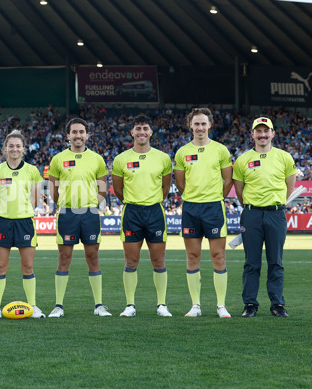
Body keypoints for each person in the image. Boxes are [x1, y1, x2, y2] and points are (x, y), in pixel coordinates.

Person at [232, 117, 297, 318]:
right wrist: (252, 209)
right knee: (252, 262)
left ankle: (277, 304)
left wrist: (274, 204)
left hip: (276, 214)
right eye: (258, 131)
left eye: (266, 131)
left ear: (273, 134)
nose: (262, 135)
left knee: (276, 261)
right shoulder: (242, 160)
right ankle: (250, 303)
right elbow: (239, 191)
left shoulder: (284, 157)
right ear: (252, 134)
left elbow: (290, 186)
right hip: (251, 214)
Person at [46, 118, 110, 318]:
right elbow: (53, 191)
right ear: (68, 136)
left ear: (87, 135)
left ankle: (99, 305)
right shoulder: (58, 159)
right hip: (67, 213)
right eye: (74, 132)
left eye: (81, 132)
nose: (78, 135)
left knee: (93, 257)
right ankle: (58, 306)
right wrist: (65, 203)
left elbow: (103, 189)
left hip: (89, 213)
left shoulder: (97, 159)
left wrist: (91, 204)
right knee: (64, 258)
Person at [111, 115, 173, 317]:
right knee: (131, 262)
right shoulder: (121, 159)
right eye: (138, 128)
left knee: (159, 261)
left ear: (151, 132)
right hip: (132, 212)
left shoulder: (162, 158)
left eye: (145, 128)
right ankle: (130, 305)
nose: (142, 132)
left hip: (155, 212)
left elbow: (165, 188)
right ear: (132, 132)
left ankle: (161, 305)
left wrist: (151, 201)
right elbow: (118, 190)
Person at [174, 108, 233, 318]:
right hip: (191, 208)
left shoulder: (220, 150)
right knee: (193, 256)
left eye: (203, 124)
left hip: (214, 207)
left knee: (218, 256)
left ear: (210, 125)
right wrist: (193, 196)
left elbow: (228, 181)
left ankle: (221, 305)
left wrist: (216, 197)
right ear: (190, 125)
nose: (200, 127)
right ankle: (196, 305)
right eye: (196, 124)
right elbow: (180, 184)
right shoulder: (182, 152)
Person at [0, 130, 45, 319]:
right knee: (1, 267)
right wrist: (4, 210)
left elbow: (36, 199)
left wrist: (22, 211)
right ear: (5, 149)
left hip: (25, 222)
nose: (14, 149)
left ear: (23, 149)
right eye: (11, 146)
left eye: (18, 146)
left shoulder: (32, 171)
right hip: (3, 222)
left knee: (27, 266)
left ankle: (33, 306)